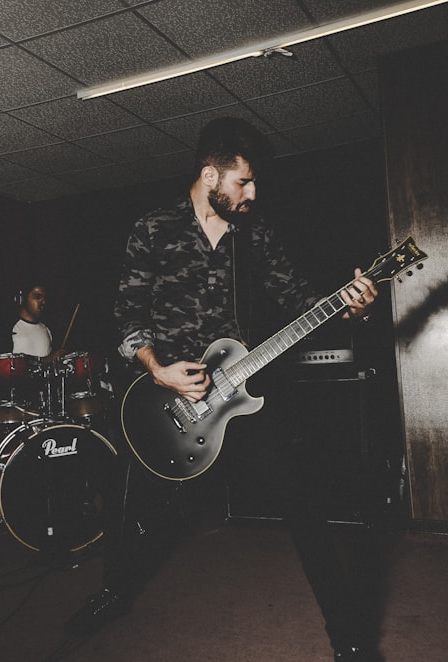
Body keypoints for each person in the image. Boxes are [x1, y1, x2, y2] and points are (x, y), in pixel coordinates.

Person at [65, 117, 382, 662]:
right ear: (210, 175)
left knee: (302, 502)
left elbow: (300, 300)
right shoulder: (154, 228)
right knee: (129, 501)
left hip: (239, 398)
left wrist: (351, 305)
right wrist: (156, 368)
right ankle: (113, 594)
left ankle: (349, 637)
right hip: (163, 400)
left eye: (255, 183)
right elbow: (125, 316)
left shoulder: (254, 235)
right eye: (244, 183)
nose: (253, 193)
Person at [11, 283, 63, 364]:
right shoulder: (11, 328)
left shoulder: (48, 329)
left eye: (44, 298)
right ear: (24, 298)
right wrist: (44, 360)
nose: (43, 302)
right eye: (37, 297)